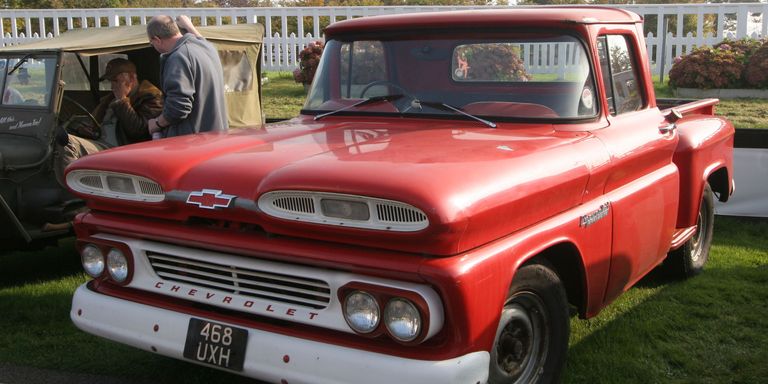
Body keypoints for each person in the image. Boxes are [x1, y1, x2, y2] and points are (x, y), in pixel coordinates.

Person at [54, 58, 164, 186]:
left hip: (122, 150)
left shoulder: (151, 98)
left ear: (132, 79)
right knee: (58, 136)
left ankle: (75, 192)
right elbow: (96, 122)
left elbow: (138, 131)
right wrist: (86, 129)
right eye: (111, 82)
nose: (112, 86)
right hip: (101, 142)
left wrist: (122, 99)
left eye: (116, 81)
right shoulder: (109, 99)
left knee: (67, 143)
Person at [146, 14, 228, 138]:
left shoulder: (178, 58)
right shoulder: (208, 48)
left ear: (157, 40)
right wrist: (189, 27)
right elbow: (200, 39)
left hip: (193, 143)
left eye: (151, 43)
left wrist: (156, 123)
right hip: (216, 136)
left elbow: (178, 107)